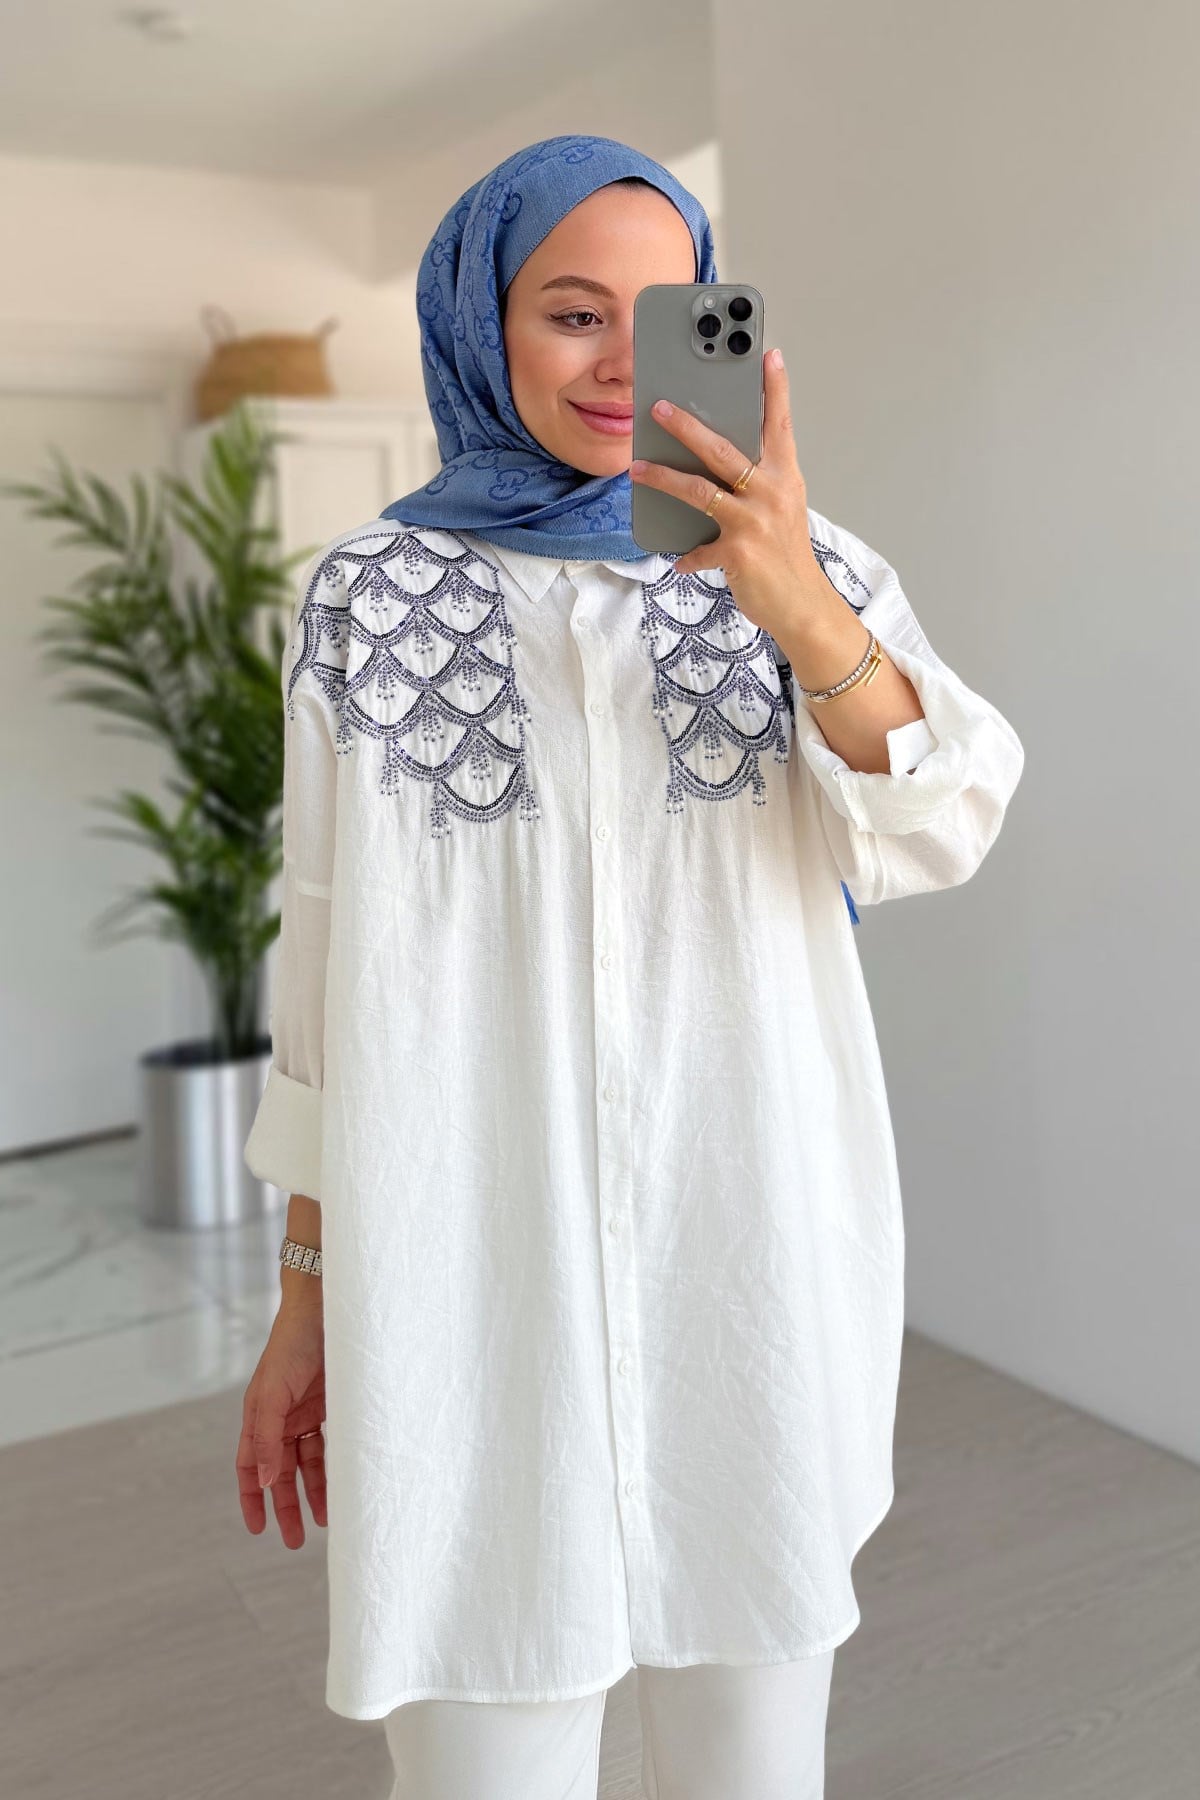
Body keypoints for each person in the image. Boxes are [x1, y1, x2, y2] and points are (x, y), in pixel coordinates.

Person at [235, 134, 1025, 1799]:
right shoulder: (368, 599)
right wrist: (306, 1294)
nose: (620, 365)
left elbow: (946, 819)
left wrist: (797, 605)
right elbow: (325, 969)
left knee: (754, 1766)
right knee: (486, 1745)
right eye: (573, 312)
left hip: (749, 1279)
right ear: (482, 322)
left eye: (668, 318)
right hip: (470, 1295)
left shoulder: (802, 563)